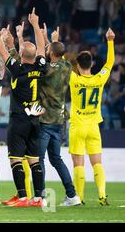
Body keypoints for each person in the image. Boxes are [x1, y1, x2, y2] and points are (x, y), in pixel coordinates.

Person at [9, 25, 82, 206]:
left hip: (43, 119)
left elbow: (32, 59)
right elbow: (52, 55)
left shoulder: (45, 69)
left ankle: (37, 197)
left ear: (51, 54)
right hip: (59, 120)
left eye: (49, 49)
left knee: (36, 159)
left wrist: (36, 39)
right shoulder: (66, 66)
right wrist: (52, 41)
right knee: (56, 159)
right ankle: (72, 195)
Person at [0, 8, 47, 207]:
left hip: (19, 119)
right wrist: (36, 25)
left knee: (15, 159)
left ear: (21, 55)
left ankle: (22, 196)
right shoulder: (40, 66)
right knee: (34, 159)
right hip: (35, 120)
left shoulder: (17, 69)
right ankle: (38, 198)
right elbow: (41, 47)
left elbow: (1, 50)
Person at [69, 29, 115, 206]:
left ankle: (79, 198)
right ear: (91, 64)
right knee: (97, 163)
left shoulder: (74, 79)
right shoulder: (99, 79)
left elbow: (60, 64)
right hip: (94, 127)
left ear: (78, 65)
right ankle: (102, 195)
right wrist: (110, 41)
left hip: (78, 127)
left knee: (78, 164)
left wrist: (53, 41)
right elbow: (110, 63)